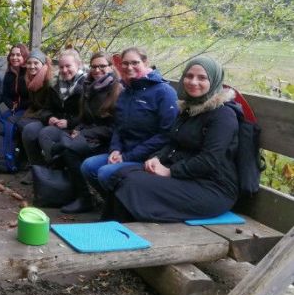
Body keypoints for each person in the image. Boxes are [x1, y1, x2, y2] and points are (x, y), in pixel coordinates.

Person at [108, 56, 238, 222]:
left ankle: (124, 234)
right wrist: (157, 158)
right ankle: (109, 230)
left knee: (134, 184)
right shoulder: (189, 108)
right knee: (122, 174)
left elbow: (210, 160)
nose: (193, 82)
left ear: (214, 80)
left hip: (213, 188)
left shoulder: (223, 115)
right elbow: (172, 142)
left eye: (202, 78)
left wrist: (170, 171)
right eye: (189, 76)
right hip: (188, 176)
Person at [80, 47, 178, 199]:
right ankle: (114, 202)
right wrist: (115, 149)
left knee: (105, 173)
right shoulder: (126, 91)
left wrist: (128, 157)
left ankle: (125, 206)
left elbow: (166, 134)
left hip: (149, 157)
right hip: (124, 152)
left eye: (135, 62)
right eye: (125, 63)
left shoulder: (163, 92)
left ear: (146, 63)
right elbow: (119, 126)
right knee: (89, 166)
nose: (129, 67)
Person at [47, 52, 122, 213]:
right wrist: (78, 129)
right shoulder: (89, 86)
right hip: (90, 135)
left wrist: (84, 134)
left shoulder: (117, 90)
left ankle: (85, 198)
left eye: (102, 66)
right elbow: (84, 117)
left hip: (108, 141)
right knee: (59, 147)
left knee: (69, 150)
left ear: (111, 67)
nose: (97, 70)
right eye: (94, 66)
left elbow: (114, 127)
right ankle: (69, 192)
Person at [20, 48, 85, 170]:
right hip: (55, 123)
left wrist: (69, 122)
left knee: (46, 134)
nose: (64, 70)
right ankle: (37, 167)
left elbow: (87, 115)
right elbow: (46, 108)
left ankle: (55, 168)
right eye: (61, 67)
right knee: (29, 130)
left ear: (78, 64)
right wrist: (49, 117)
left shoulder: (86, 85)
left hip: (74, 126)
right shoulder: (54, 83)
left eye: (68, 66)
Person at [1, 43, 30, 118]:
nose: (14, 57)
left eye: (18, 55)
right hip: (14, 109)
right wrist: (12, 105)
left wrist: (18, 106)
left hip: (29, 110)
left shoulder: (29, 72)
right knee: (0, 120)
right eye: (12, 55)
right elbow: (5, 95)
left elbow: (33, 98)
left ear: (24, 57)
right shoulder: (9, 74)